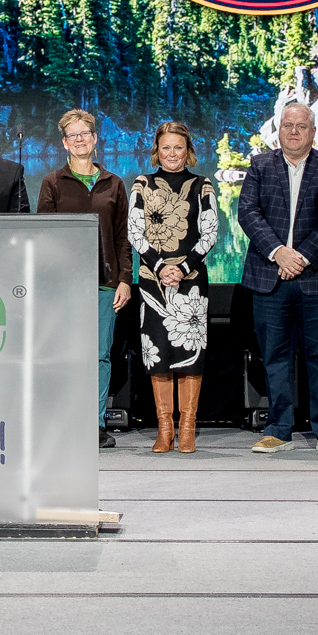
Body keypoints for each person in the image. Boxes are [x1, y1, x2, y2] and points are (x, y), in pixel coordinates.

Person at [236, 101, 318, 455]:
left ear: (313, 132)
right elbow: (248, 213)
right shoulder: (260, 165)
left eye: (301, 126)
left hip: (315, 277)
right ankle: (278, 428)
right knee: (274, 355)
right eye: (288, 125)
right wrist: (278, 252)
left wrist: (300, 257)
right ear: (279, 130)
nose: (294, 131)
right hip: (269, 275)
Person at [37, 110, 133, 448]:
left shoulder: (114, 183)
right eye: (73, 135)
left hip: (105, 284)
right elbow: (44, 237)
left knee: (99, 356)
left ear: (94, 139)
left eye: (85, 134)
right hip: (64, 284)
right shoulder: (52, 183)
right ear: (65, 143)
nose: (80, 140)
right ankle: (65, 423)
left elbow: (123, 237)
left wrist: (125, 279)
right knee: (64, 354)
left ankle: (94, 425)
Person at [127, 122, 219, 454]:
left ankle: (188, 428)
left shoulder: (202, 185)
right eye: (165, 148)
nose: (171, 154)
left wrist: (181, 268)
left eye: (178, 147)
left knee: (190, 354)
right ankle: (164, 428)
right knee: (158, 354)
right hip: (152, 282)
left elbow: (209, 234)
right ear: (157, 151)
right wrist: (159, 266)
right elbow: (135, 232)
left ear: (188, 151)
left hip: (191, 281)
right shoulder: (142, 183)